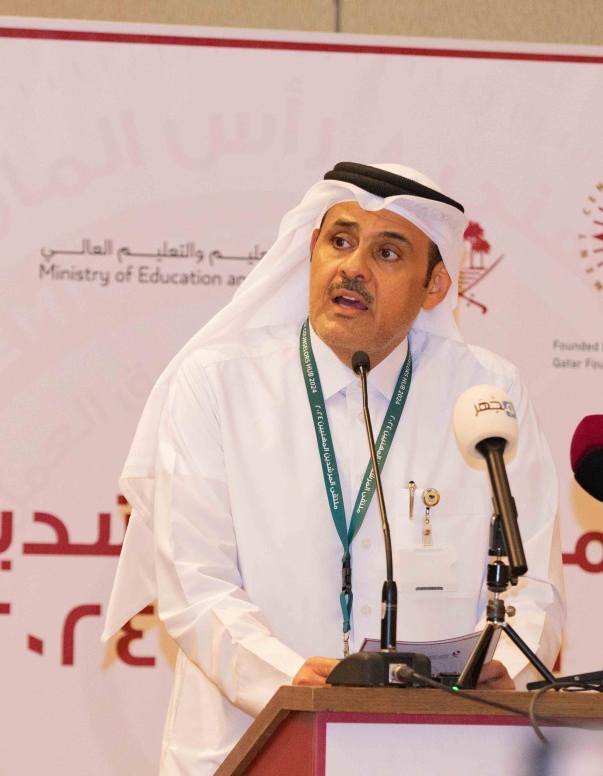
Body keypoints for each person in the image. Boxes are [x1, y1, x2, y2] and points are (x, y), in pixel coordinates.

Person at [103, 162, 566, 775]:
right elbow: (195, 581)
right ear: (312, 252)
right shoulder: (219, 383)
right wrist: (288, 677)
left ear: (434, 286)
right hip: (251, 744)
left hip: (436, 751)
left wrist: (505, 663)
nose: (354, 268)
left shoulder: (485, 393)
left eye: (388, 252)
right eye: (340, 242)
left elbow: (534, 585)